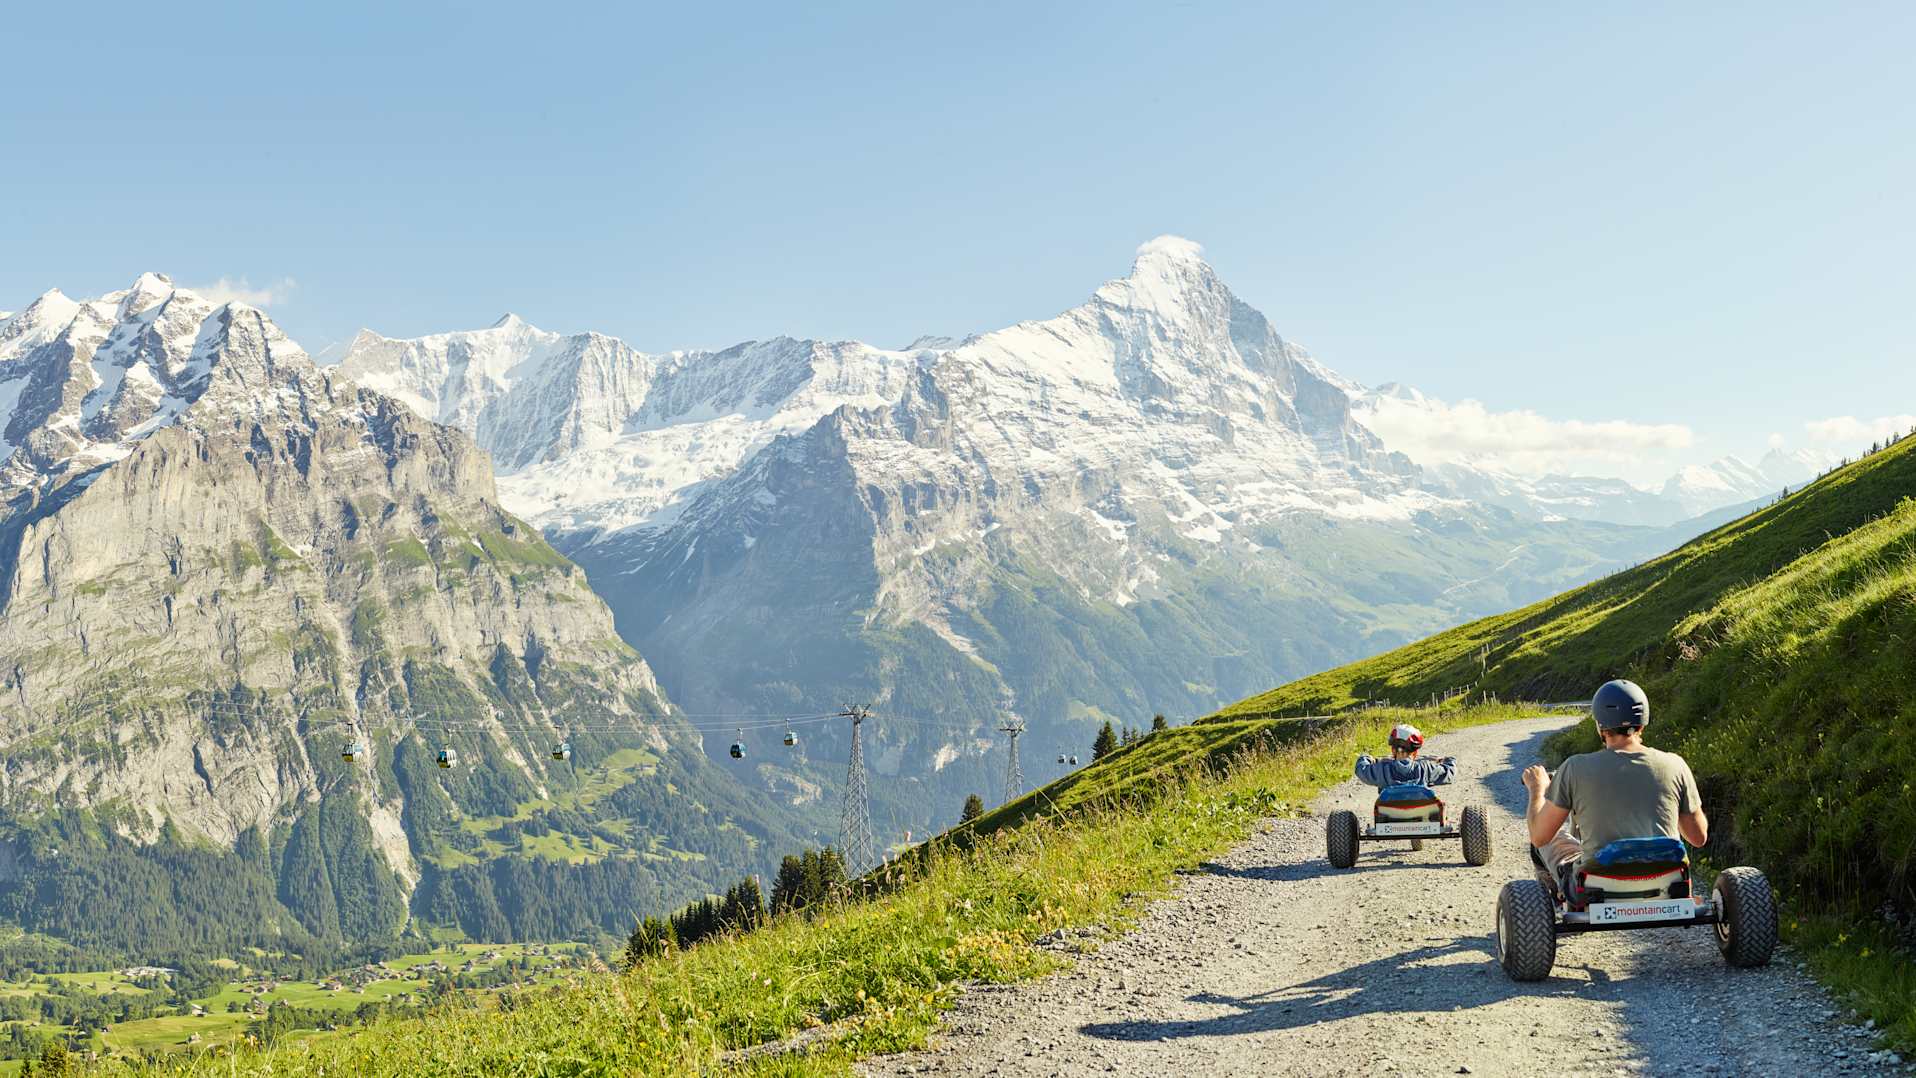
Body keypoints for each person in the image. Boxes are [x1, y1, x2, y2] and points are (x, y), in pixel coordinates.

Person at [1523, 679, 1709, 899]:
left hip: (1596, 887)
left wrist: (1538, 789)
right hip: (1668, 882)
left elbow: (1539, 836)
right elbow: (1698, 837)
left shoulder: (1575, 767)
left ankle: (1556, 899)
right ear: (1643, 722)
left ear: (1599, 725)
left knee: (1550, 842)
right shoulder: (1675, 765)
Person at [1354, 723, 1457, 787]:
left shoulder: (1382, 769)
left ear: (1393, 750)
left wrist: (1367, 758)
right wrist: (1447, 760)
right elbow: (1450, 772)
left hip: (1389, 815)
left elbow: (1361, 769)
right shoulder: (1425, 768)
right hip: (1421, 816)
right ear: (1415, 751)